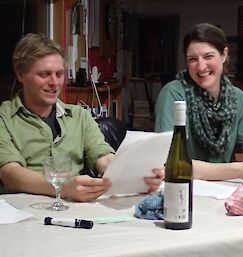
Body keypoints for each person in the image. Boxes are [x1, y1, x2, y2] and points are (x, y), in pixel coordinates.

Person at [0, 33, 163, 202]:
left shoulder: (79, 116)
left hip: (75, 210)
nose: (54, 83)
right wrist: (63, 188)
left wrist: (138, 176)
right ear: (20, 75)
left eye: (59, 74)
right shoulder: (4, 119)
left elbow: (104, 158)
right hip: (25, 212)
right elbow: (10, 174)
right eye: (44, 74)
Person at [154, 23, 243, 184]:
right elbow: (172, 163)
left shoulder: (237, 97)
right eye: (192, 59)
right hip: (182, 190)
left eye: (208, 56)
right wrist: (239, 170)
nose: (201, 66)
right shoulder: (173, 93)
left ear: (224, 55)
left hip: (222, 193)